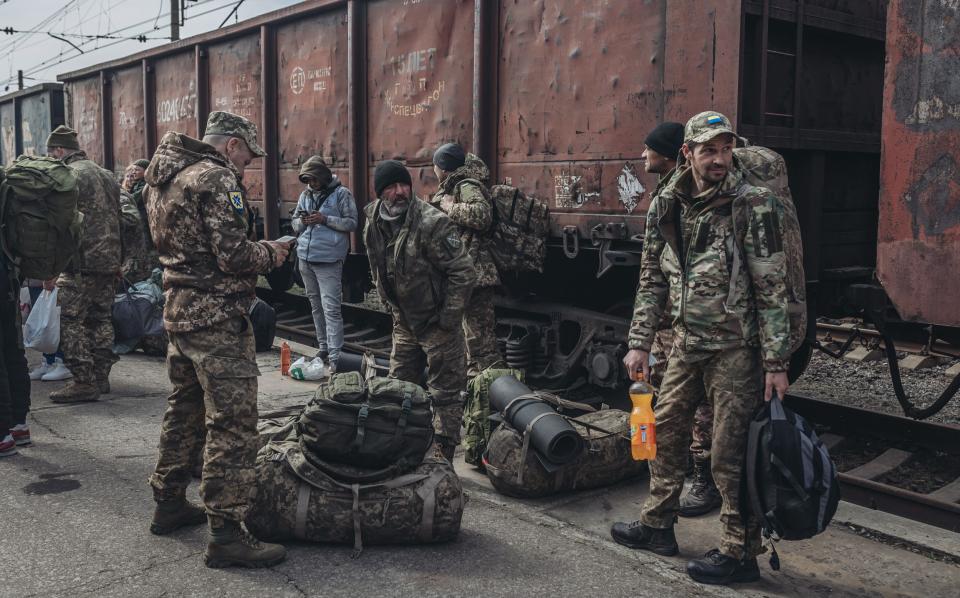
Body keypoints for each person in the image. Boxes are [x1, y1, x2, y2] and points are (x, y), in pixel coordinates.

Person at [612, 111, 792, 585]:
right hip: (687, 344)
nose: (719, 159)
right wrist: (640, 342)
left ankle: (739, 551)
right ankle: (657, 525)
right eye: (709, 150)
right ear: (687, 154)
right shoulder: (666, 203)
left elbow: (773, 286)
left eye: (726, 149)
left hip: (737, 348)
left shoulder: (753, 203)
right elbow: (651, 277)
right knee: (663, 431)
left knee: (727, 453)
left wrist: (776, 361)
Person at [144, 111, 291, 568]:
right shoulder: (215, 179)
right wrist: (274, 251)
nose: (246, 165)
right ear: (230, 145)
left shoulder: (163, 175)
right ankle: (226, 532)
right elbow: (234, 255)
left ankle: (168, 502)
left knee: (183, 409)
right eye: (247, 155)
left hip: (179, 311)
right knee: (232, 423)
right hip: (218, 320)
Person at [363, 160, 475, 462]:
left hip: (437, 322)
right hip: (405, 322)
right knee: (398, 386)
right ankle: (402, 448)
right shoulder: (373, 220)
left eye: (404, 185)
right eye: (391, 187)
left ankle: (442, 459)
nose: (400, 192)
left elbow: (464, 272)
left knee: (446, 393)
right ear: (379, 192)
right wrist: (389, 305)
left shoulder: (431, 222)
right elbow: (376, 264)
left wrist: (449, 318)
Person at [641, 122, 722, 516]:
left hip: (694, 325)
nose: (643, 156)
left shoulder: (699, 197)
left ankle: (705, 479)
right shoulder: (669, 195)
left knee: (699, 402)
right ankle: (678, 484)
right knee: (670, 405)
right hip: (673, 320)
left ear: (675, 154)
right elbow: (654, 271)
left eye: (650, 149)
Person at [45, 125, 122, 403]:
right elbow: (125, 217)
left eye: (52, 152)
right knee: (100, 319)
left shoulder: (68, 176)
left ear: (60, 150)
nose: (52, 158)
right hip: (108, 260)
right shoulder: (107, 175)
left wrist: (52, 266)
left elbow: (62, 225)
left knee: (70, 320)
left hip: (80, 262)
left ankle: (83, 381)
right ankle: (101, 378)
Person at [430, 143, 500, 377]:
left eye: (435, 164)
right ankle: (477, 385)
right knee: (468, 337)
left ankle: (494, 388)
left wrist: (451, 207)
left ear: (443, 168)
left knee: (481, 341)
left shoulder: (466, 185)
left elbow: (482, 215)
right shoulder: (452, 185)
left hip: (476, 273)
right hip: (461, 272)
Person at [291, 155, 357, 373]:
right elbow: (294, 224)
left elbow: (352, 222)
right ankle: (324, 348)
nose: (311, 184)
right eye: (308, 180)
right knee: (316, 306)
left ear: (323, 177)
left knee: (331, 308)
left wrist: (325, 219)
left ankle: (336, 355)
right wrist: (303, 221)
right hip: (306, 257)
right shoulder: (305, 196)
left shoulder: (341, 194)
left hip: (329, 259)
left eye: (314, 180)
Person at [0, 168, 32, 456]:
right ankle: (19, 424)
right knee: (13, 348)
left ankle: (2, 433)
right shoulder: (7, 181)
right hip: (8, 276)